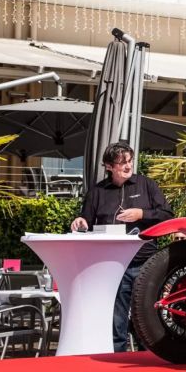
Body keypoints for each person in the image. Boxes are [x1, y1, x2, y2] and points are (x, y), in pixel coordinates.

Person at [70, 142, 172, 352]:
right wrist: (80, 221)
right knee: (117, 318)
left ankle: (150, 358)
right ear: (108, 166)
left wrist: (142, 214)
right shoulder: (97, 191)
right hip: (112, 265)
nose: (128, 166)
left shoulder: (147, 185)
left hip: (146, 262)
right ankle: (117, 359)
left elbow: (167, 215)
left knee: (146, 316)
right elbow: (86, 222)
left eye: (130, 160)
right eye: (122, 162)